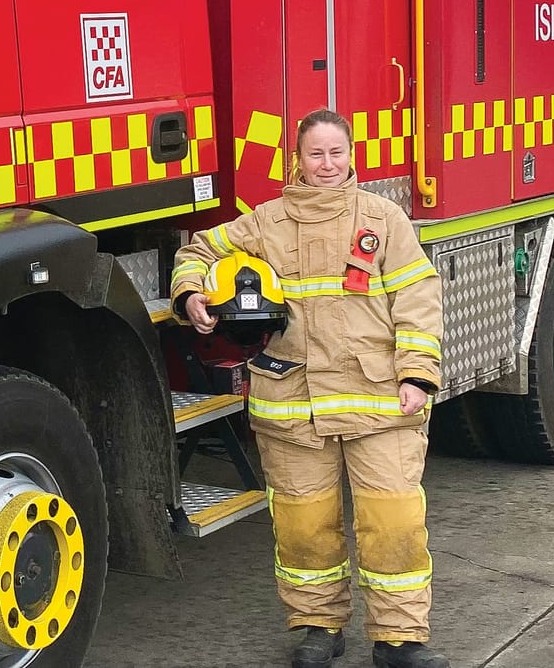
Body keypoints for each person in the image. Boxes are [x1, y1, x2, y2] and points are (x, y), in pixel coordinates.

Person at [171, 109, 449, 668]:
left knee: (393, 526)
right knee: (305, 528)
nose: (327, 165)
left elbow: (419, 300)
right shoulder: (266, 222)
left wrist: (418, 374)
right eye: (315, 154)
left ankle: (400, 640)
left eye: (336, 153)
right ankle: (318, 628)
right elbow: (197, 250)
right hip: (292, 404)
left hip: (381, 401)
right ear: (296, 160)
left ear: (352, 156)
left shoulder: (383, 219)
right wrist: (192, 296)